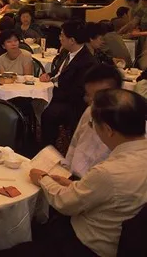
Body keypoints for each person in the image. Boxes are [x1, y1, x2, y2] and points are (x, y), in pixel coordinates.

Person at [27, 89, 147, 257]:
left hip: (87, 245)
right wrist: (75, 185)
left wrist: (42, 178)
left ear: (108, 129)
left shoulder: (108, 172)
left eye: (92, 124)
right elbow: (110, 195)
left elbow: (65, 203)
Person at [39, 20, 98, 147]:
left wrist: (55, 90)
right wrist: (49, 75)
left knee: (48, 115)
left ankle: (48, 147)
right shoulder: (66, 52)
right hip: (56, 93)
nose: (59, 38)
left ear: (72, 40)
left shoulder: (87, 61)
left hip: (71, 103)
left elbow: (78, 91)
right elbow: (59, 71)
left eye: (62, 35)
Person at [61, 64, 123, 178]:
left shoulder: (128, 127)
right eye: (89, 95)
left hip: (95, 184)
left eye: (97, 97)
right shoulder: (89, 111)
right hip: (73, 175)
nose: (89, 100)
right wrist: (65, 169)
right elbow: (74, 144)